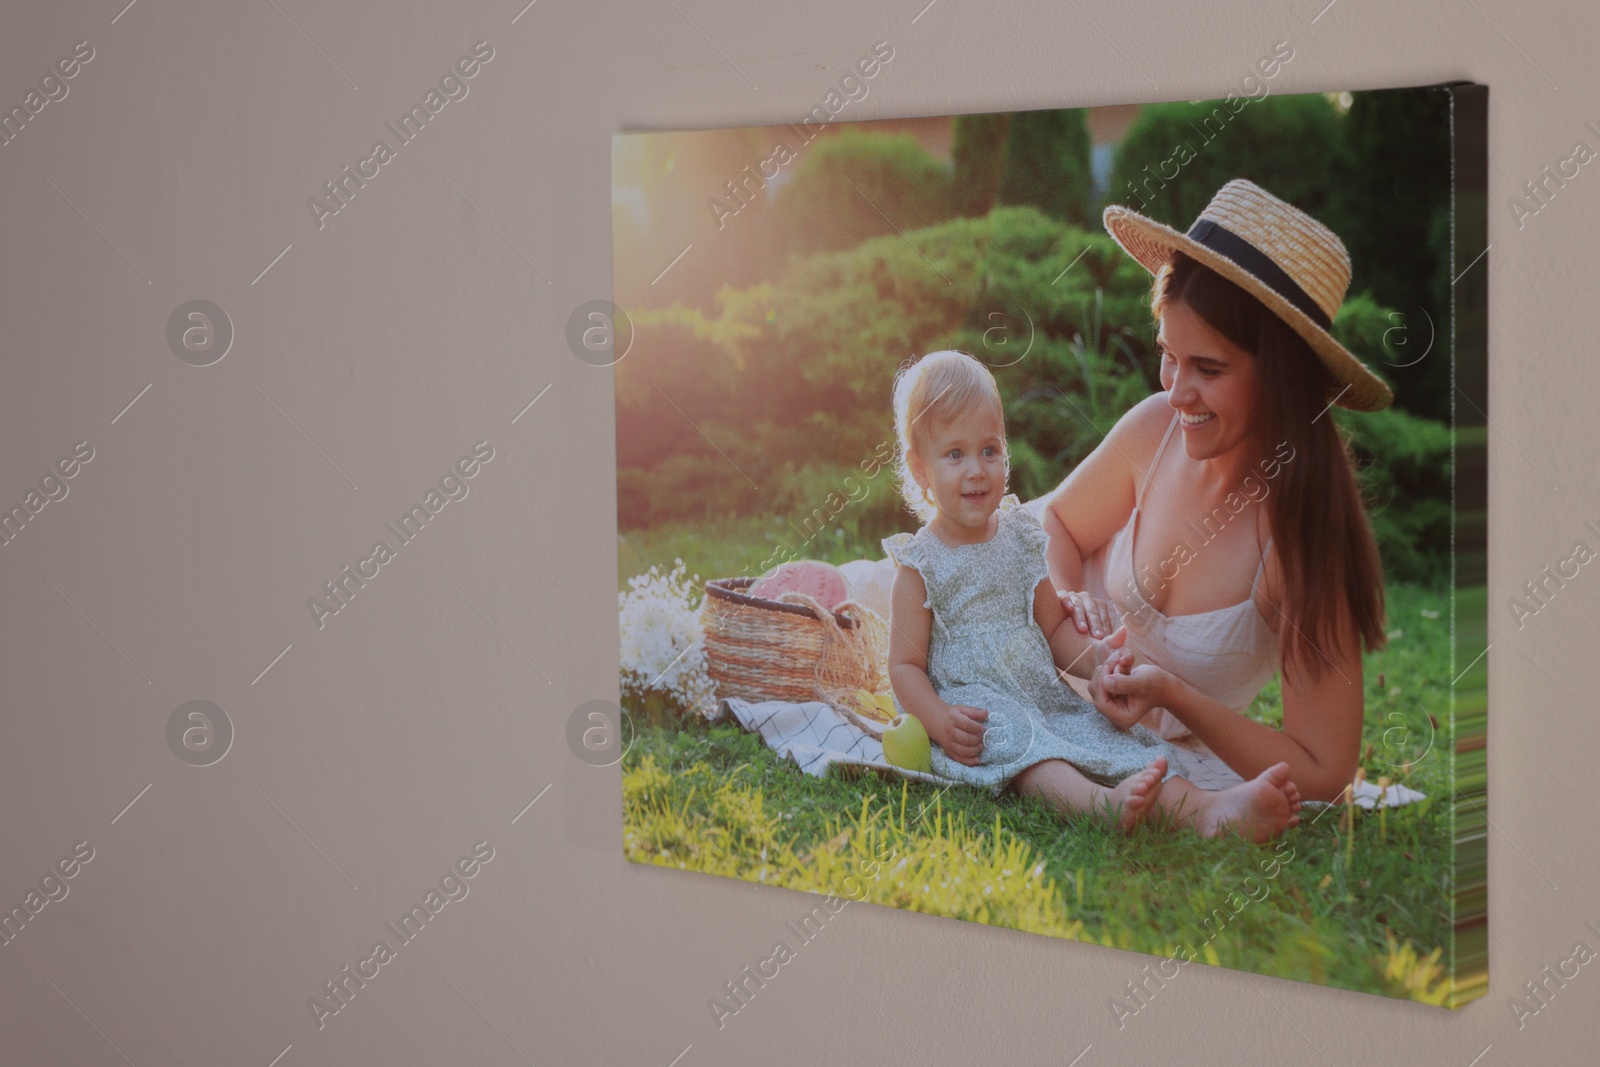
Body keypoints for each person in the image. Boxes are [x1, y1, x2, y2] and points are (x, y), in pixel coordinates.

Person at [1047, 179, 1391, 803]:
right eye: (1168, 356)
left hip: (1140, 750)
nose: (1176, 392)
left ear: (1281, 377)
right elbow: (1051, 527)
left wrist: (1173, 695)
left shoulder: (1303, 543)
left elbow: (1322, 769)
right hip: (1037, 659)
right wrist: (1073, 623)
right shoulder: (1154, 431)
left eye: (1207, 369)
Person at [882, 349, 1302, 839]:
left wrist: (1096, 661)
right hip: (976, 710)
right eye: (955, 454)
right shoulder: (921, 564)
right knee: (1031, 754)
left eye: (989, 450)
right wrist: (938, 720)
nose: (976, 469)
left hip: (1042, 694)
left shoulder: (1020, 538)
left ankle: (1209, 809)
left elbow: (1054, 627)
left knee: (1117, 741)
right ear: (919, 469)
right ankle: (1099, 804)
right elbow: (904, 666)